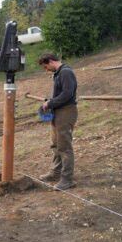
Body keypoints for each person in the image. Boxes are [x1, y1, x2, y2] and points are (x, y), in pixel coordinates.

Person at [38, 53, 78, 190]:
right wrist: (50, 101)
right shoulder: (58, 73)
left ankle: (67, 179)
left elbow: (67, 94)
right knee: (55, 144)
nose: (46, 69)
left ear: (50, 61)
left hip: (66, 112)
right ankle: (55, 172)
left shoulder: (66, 72)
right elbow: (60, 93)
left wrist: (51, 103)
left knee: (64, 146)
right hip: (58, 112)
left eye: (46, 66)